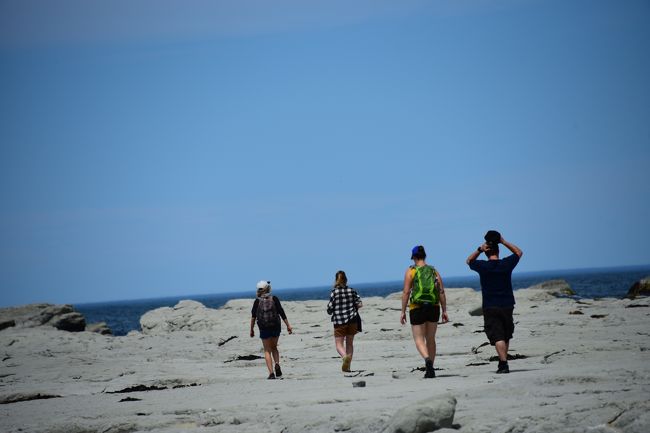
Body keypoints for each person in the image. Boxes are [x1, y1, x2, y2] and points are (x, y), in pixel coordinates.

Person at [466, 230, 523, 374]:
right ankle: (502, 361)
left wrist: (479, 249)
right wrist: (504, 241)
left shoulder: (483, 266)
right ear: (498, 250)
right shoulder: (506, 264)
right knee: (505, 334)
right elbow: (519, 253)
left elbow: (469, 261)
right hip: (507, 303)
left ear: (486, 252)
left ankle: (503, 363)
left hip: (490, 305)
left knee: (498, 335)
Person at [400, 245, 448, 378]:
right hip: (433, 307)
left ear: (413, 257)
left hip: (417, 307)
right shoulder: (434, 271)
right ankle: (430, 368)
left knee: (419, 339)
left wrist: (403, 311)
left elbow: (406, 292)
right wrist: (444, 310)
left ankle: (427, 360)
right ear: (424, 255)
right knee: (431, 339)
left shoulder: (411, 271)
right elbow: (441, 291)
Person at [250, 280, 293, 379]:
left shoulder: (257, 301)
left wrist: (251, 329)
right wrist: (288, 325)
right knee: (274, 347)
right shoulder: (274, 298)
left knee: (267, 350)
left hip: (264, 328)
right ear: (268, 288)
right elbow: (281, 312)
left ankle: (271, 373)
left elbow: (253, 317)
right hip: (275, 327)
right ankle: (277, 363)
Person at [327, 270, 363, 372]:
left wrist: (334, 310)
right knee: (350, 344)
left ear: (336, 280)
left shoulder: (334, 292)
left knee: (339, 345)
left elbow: (329, 309)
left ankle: (344, 358)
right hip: (352, 320)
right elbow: (360, 303)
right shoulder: (352, 290)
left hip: (339, 322)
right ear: (346, 279)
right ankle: (348, 366)